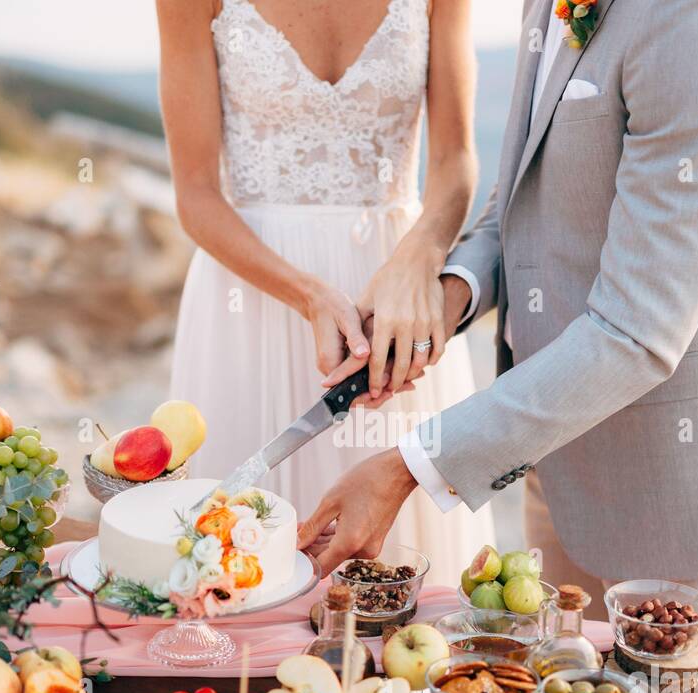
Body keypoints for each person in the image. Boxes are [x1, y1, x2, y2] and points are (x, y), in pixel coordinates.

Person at [300, 0, 698, 693]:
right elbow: (529, 202)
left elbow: (639, 329)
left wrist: (409, 464)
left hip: (679, 483)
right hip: (556, 453)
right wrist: (446, 301)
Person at [157, 0, 494, 574]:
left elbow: (455, 159)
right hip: (252, 296)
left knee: (403, 569)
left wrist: (417, 259)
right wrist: (307, 294)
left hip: (398, 299)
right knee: (232, 562)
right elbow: (194, 192)